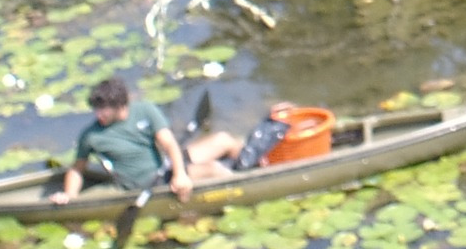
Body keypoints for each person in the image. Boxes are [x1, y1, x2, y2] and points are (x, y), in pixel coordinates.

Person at [52, 75, 184, 202]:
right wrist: (70, 195)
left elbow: (169, 144)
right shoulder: (91, 135)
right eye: (96, 109)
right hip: (123, 189)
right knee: (82, 200)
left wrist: (179, 175)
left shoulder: (146, 110)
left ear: (120, 105)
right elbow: (77, 169)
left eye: (104, 110)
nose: (98, 115)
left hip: (161, 178)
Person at [176, 101, 301, 184]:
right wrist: (179, 175)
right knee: (215, 170)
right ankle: (249, 179)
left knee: (223, 139)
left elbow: (167, 140)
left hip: (168, 164)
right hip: (161, 180)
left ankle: (252, 156)